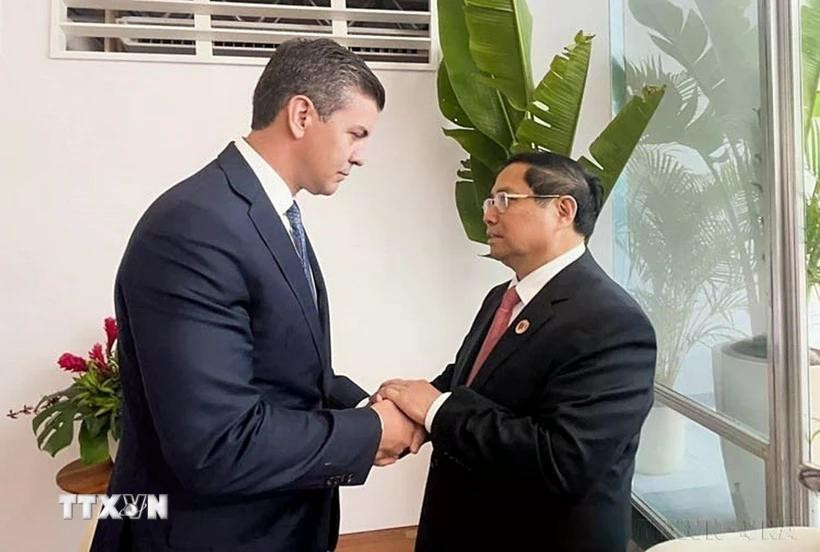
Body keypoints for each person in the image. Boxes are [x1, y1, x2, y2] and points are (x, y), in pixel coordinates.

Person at [91, 38, 422, 552]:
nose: (361, 158)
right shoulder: (196, 226)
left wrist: (368, 404)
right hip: (204, 533)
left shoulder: (263, 213)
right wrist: (369, 432)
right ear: (302, 114)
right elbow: (216, 443)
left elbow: (278, 366)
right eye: (355, 134)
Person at [379, 152, 657, 552]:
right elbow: (473, 380)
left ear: (563, 209)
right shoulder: (503, 297)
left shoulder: (612, 322)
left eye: (505, 200)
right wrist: (403, 404)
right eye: (490, 202)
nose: (489, 216)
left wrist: (436, 410)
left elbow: (563, 460)